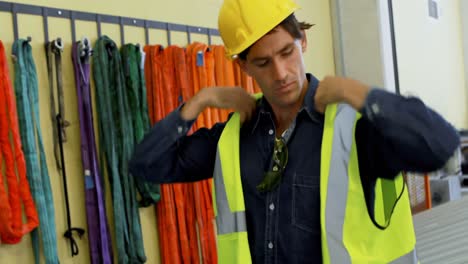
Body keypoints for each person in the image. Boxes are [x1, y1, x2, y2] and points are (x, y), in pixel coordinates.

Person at [129, 0, 460, 263]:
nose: (281, 73)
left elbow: (442, 146)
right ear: (242, 66)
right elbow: (146, 164)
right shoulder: (233, 137)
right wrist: (200, 101)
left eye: (287, 52)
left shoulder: (352, 128)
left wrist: (356, 92)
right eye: (262, 62)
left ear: (303, 40)